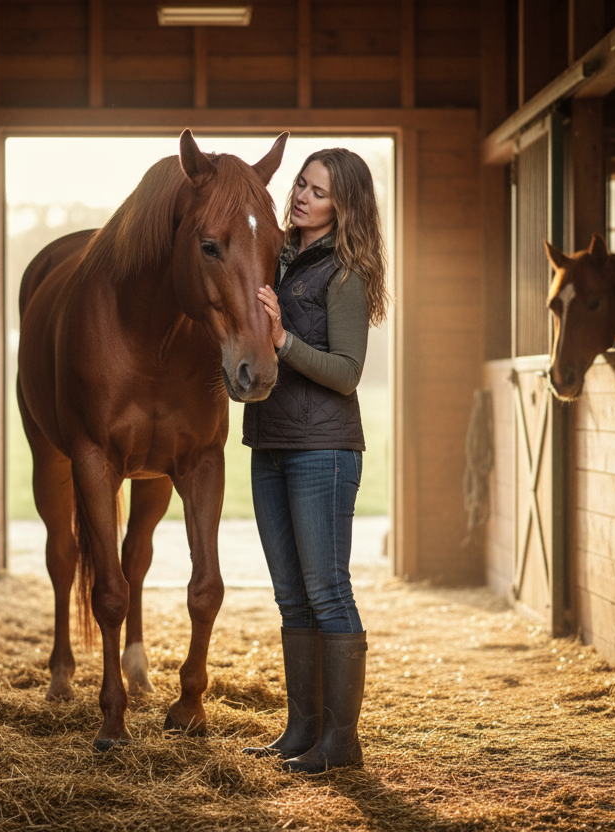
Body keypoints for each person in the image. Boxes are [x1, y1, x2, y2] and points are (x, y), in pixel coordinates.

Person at [241, 148, 389, 773]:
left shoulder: (346, 273)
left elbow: (348, 374)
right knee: (290, 597)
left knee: (328, 593)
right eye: (300, 184)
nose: (301, 196)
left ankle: (341, 741)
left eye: (318, 191)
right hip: (270, 443)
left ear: (343, 206)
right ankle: (301, 730)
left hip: (324, 450)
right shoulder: (275, 256)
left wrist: (282, 339)